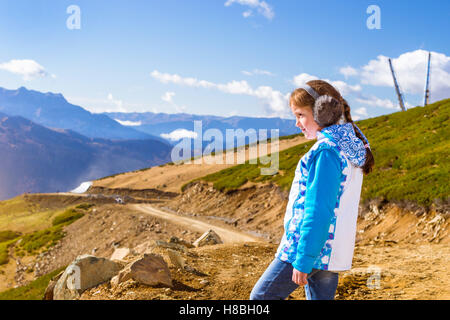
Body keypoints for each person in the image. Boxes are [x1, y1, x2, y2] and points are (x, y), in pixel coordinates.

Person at [250, 80, 374, 300]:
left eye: (300, 115)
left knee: (261, 298)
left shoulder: (325, 152)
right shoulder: (350, 146)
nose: (297, 123)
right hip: (331, 250)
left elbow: (319, 211)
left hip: (307, 247)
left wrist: (304, 258)